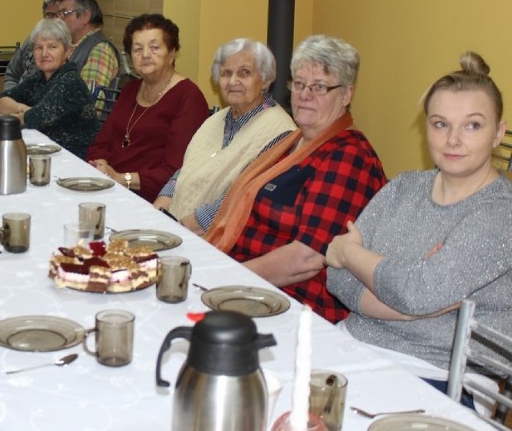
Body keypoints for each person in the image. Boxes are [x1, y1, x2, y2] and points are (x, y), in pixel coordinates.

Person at [326, 51, 510, 398]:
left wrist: (351, 253)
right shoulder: (403, 187)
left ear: (498, 133)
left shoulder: (501, 214)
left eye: (472, 125)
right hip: (352, 347)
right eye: (440, 124)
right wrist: (409, 309)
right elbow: (337, 278)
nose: (453, 140)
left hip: (439, 375)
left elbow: (415, 292)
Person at [205, 35, 387, 323]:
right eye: (299, 84)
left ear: (347, 94)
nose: (304, 94)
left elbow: (307, 259)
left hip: (295, 307)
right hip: (250, 285)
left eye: (319, 87)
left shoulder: (349, 157)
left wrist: (227, 279)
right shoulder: (291, 142)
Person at [153, 38, 296, 233]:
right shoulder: (216, 119)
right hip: (178, 228)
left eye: (244, 73)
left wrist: (181, 228)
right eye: (226, 73)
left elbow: (243, 197)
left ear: (265, 80)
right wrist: (156, 212)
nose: (233, 81)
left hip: (216, 241)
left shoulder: (279, 132)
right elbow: (186, 171)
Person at [87, 14, 209, 202]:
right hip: (111, 188)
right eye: (137, 49)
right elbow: (101, 143)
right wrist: (102, 165)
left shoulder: (188, 97)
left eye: (154, 47)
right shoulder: (130, 89)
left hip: (152, 199)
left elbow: (177, 170)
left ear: (172, 53)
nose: (145, 55)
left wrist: (123, 178)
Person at [0, 18, 99, 158]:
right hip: (47, 151)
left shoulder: (70, 82)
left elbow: (34, 118)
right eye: (39, 48)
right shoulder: (39, 77)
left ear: (68, 51)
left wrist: (27, 114)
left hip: (74, 159)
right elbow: (1, 100)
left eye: (52, 47)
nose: (44, 54)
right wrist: (23, 109)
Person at [2, 0, 68, 90]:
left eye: (58, 15)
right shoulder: (32, 39)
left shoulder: (65, 44)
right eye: (49, 15)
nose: (54, 19)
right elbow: (11, 74)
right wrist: (10, 96)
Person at [58, 0, 121, 91]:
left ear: (85, 16)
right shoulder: (70, 45)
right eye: (59, 14)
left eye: (65, 13)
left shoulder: (100, 50)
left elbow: (92, 101)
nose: (59, 19)